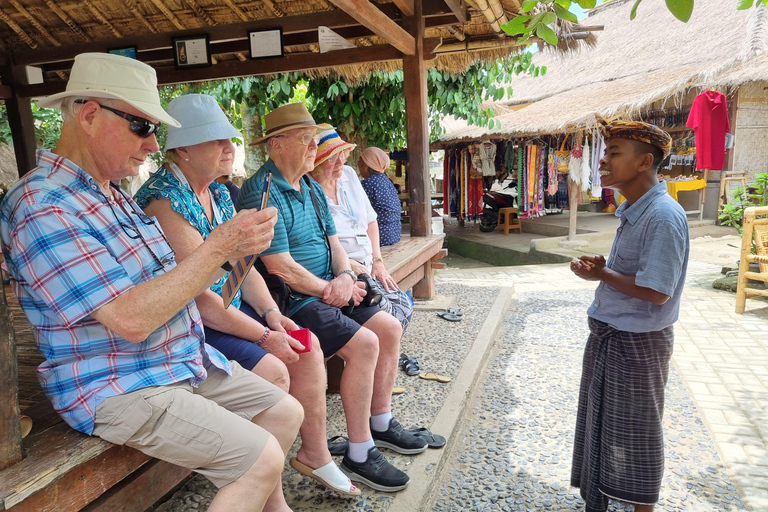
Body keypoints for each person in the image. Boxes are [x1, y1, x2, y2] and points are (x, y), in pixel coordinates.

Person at [0, 53, 303, 512]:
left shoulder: (112, 193)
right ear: (89, 115)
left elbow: (177, 285)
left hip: (176, 359)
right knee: (256, 459)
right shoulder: (44, 205)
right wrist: (219, 249)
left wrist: (233, 255)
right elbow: (130, 318)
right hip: (118, 384)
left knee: (284, 411)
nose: (152, 145)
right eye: (143, 127)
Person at [134, 94, 358, 497]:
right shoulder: (164, 200)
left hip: (227, 312)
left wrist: (272, 314)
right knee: (275, 366)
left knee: (304, 348)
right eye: (216, 140)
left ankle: (316, 454)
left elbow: (245, 266)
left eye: (230, 139)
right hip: (192, 322)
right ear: (182, 149)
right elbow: (201, 300)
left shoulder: (220, 194)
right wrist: (263, 336)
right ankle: (267, 494)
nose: (229, 148)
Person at [236, 103, 427, 493]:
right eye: (305, 139)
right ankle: (359, 452)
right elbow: (279, 267)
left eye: (313, 139)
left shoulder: (308, 185)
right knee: (366, 344)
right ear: (275, 145)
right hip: (294, 300)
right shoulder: (262, 190)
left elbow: (334, 244)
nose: (314, 147)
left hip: (327, 288)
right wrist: (329, 289)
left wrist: (343, 276)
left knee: (389, 328)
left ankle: (381, 423)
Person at [569, 121, 689, 512]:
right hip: (615, 335)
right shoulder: (638, 208)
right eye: (605, 153)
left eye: (614, 152)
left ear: (644, 162)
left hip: (637, 343)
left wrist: (603, 274)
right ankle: (605, 497)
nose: (603, 161)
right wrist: (602, 270)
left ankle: (642, 507)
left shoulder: (663, 216)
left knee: (637, 432)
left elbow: (657, 291)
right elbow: (638, 277)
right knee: (605, 423)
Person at [309, 125, 413, 332]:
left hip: (369, 263)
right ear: (314, 162)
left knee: (403, 307)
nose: (340, 162)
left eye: (342, 154)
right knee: (387, 323)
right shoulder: (307, 189)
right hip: (339, 269)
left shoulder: (348, 175)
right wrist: (349, 266)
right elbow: (317, 246)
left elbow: (371, 221)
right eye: (331, 158)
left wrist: (378, 261)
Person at [358, 147, 402, 246]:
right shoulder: (386, 180)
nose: (357, 163)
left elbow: (358, 211)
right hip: (394, 234)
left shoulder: (368, 183)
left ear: (365, 165)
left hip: (380, 236)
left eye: (360, 160)